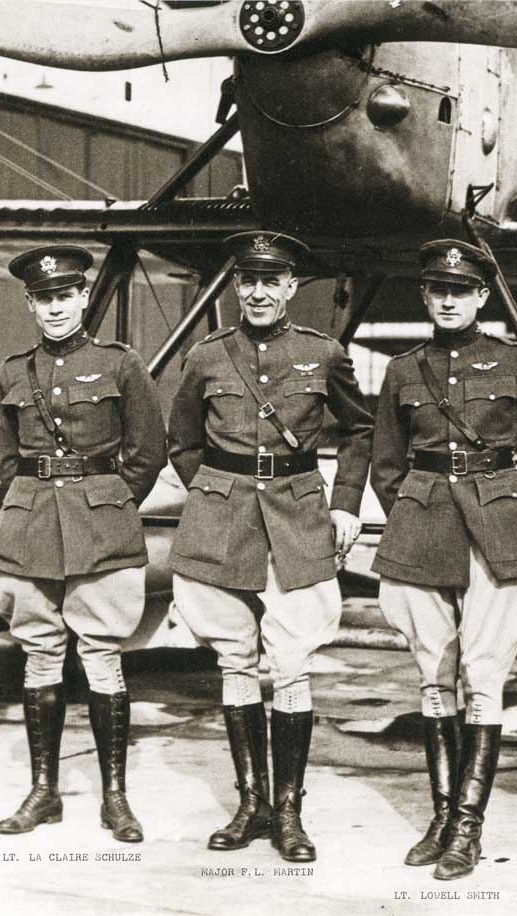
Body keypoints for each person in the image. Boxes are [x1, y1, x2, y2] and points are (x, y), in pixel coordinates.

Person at [370, 239, 517, 880]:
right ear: (426, 297)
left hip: (498, 533)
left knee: (484, 674)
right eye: (438, 290)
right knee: (434, 673)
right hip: (423, 530)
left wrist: (513, 513)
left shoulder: (515, 363)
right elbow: (385, 463)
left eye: (462, 290)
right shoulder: (404, 369)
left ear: (482, 296)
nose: (450, 299)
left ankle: (467, 827)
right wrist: (412, 511)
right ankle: (440, 815)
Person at [167, 230, 373, 863]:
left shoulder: (324, 353)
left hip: (297, 515)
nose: (257, 291)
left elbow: (361, 430)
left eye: (270, 281)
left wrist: (343, 505)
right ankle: (249, 802)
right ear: (237, 286)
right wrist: (212, 496)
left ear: (289, 288)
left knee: (291, 660)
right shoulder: (206, 356)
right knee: (233, 657)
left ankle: (288, 811)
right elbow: (182, 442)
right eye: (247, 280)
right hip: (222, 518)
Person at [0, 246, 165, 842]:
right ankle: (45, 792)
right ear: (30, 303)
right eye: (44, 298)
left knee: (103, 653)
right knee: (39, 651)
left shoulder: (120, 364)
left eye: (65, 296)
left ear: (83, 297)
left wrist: (108, 503)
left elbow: (146, 454)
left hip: (100, 526)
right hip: (31, 524)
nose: (56, 308)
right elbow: (7, 458)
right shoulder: (14, 372)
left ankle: (115, 797)